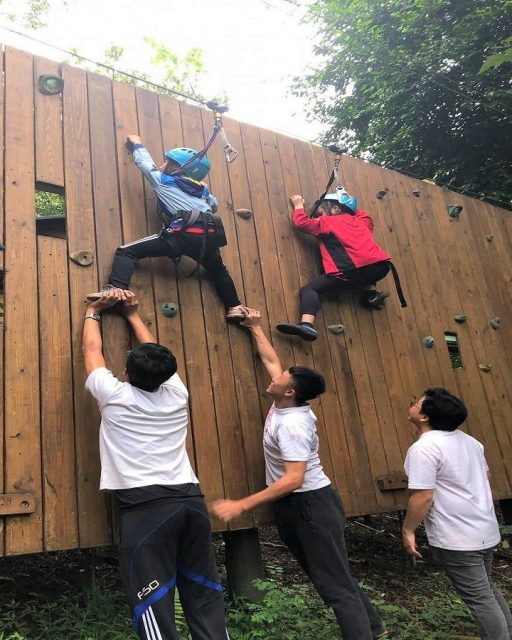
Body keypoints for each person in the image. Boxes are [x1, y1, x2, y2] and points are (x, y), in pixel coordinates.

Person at [209, 307, 391, 640]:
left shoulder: (292, 425)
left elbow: (294, 478)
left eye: (281, 379)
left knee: (334, 586)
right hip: (298, 506)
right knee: (332, 576)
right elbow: (271, 362)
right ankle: (376, 629)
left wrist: (241, 505)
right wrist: (255, 328)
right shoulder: (286, 403)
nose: (274, 378)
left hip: (310, 506)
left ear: (289, 391)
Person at [83, 289, 230, 640]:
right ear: (167, 375)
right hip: (191, 503)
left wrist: (93, 311)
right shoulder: (178, 394)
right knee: (203, 589)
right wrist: (133, 314)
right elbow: (158, 356)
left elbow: (91, 351)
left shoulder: (114, 395)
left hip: (147, 508)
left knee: (153, 602)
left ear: (124, 371)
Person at [87, 134, 244, 321]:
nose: (161, 165)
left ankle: (116, 290)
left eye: (166, 162)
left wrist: (137, 143)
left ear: (177, 167)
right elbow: (214, 205)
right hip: (207, 239)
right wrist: (204, 189)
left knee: (126, 252)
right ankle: (234, 307)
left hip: (180, 236)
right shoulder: (203, 191)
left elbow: (146, 165)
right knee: (219, 271)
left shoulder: (164, 181)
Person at [403, 388, 512, 640]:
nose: (412, 404)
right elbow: (485, 476)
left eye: (416, 403)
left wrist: (408, 530)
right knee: (485, 590)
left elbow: (423, 496)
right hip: (484, 530)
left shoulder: (424, 448)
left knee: (480, 599)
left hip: (457, 538)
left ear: (424, 418)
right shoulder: (471, 442)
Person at [277, 190, 404, 342]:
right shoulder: (362, 222)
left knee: (309, 290)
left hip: (352, 270)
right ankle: (370, 295)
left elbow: (302, 224)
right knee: (368, 267)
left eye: (320, 213)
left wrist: (298, 206)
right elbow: (366, 216)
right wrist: (346, 200)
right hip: (381, 267)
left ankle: (307, 325)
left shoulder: (328, 222)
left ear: (335, 209)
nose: (318, 217)